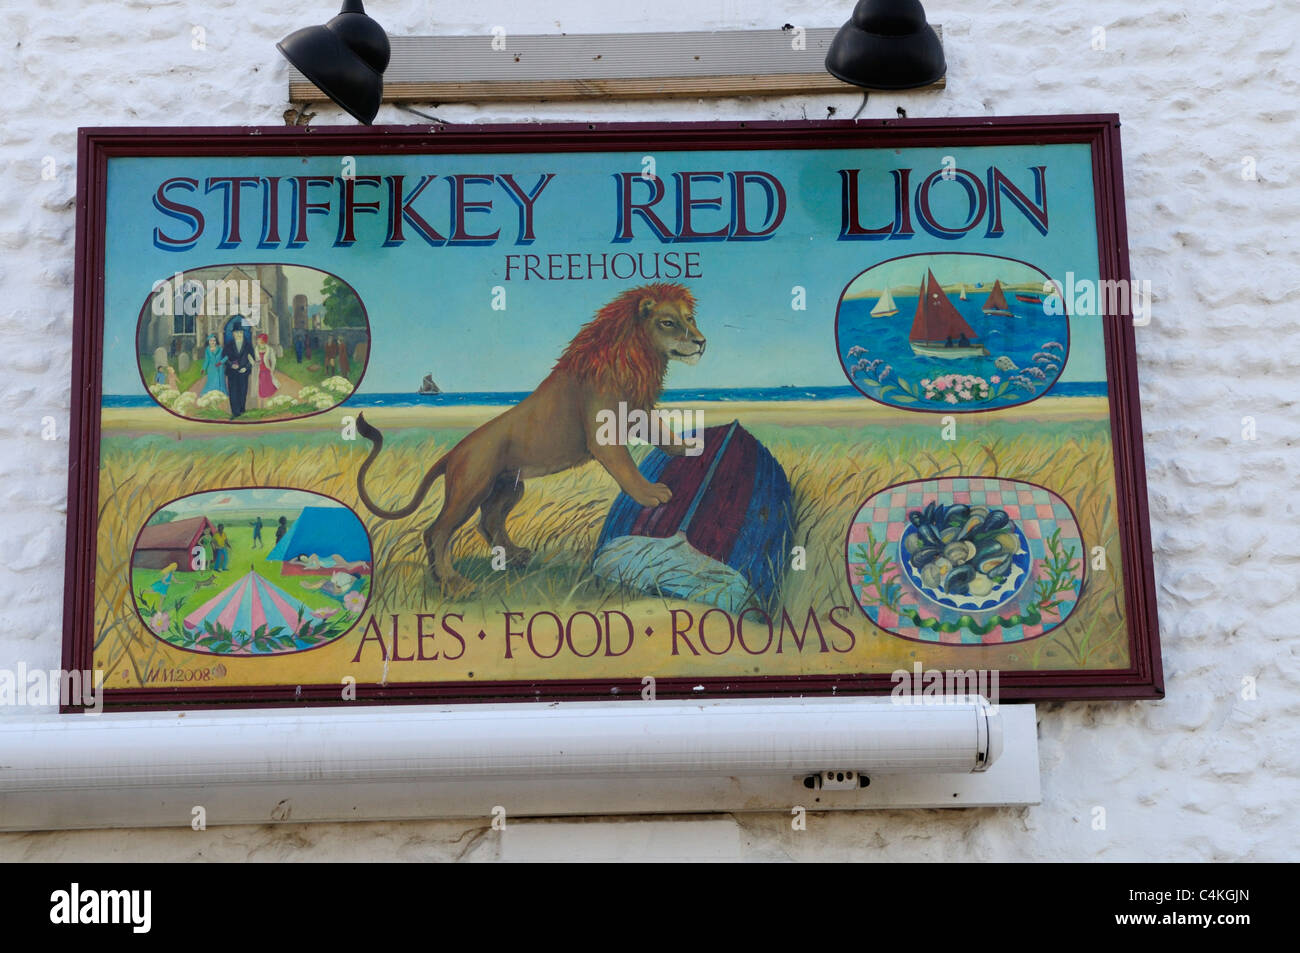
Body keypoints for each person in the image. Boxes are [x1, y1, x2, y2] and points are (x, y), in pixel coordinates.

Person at [222, 316, 255, 418]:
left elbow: (252, 359)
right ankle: (235, 413)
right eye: (236, 333)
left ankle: (242, 409)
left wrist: (247, 367)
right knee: (233, 392)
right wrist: (232, 365)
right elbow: (224, 358)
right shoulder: (228, 345)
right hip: (232, 373)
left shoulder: (248, 345)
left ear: (243, 333)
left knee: (243, 391)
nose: (238, 335)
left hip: (244, 372)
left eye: (240, 333)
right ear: (233, 334)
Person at [255, 333, 279, 409]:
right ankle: (260, 407)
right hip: (259, 371)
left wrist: (272, 369)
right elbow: (255, 360)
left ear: (263, 340)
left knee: (267, 389)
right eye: (257, 339)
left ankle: (266, 407)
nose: (257, 341)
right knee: (259, 389)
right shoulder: (256, 349)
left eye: (259, 339)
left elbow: (273, 360)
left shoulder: (269, 349)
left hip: (266, 371)